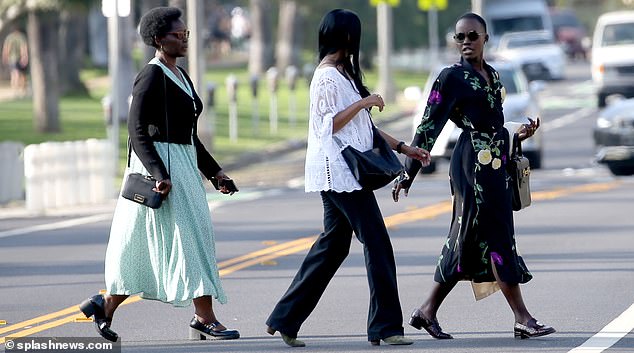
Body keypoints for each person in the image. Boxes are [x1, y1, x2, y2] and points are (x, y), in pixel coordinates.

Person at [265, 9, 431, 348]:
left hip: (342, 170)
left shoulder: (344, 75)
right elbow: (329, 124)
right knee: (377, 243)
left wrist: (404, 148)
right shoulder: (326, 77)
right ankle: (386, 328)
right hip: (338, 171)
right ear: (347, 38)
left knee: (333, 245)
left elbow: (363, 128)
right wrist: (366, 101)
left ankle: (285, 318)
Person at [79, 7, 239, 342]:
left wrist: (215, 172)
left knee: (181, 239)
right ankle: (203, 316)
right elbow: (136, 129)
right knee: (171, 240)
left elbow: (189, 135)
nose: (183, 40)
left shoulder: (181, 75)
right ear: (158, 40)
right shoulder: (150, 75)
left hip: (181, 163)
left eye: (185, 35)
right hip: (161, 169)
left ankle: (106, 305)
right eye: (176, 36)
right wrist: (158, 173)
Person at [393, 12, 555, 340]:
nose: (466, 42)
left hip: (495, 164)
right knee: (497, 235)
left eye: (472, 36)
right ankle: (522, 317)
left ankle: (426, 311)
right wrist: (407, 173)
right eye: (460, 37)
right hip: (472, 167)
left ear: (485, 38)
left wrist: (517, 136)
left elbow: (494, 125)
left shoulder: (494, 76)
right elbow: (429, 125)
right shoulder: (450, 77)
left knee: (467, 238)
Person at [1, 27, 29, 96]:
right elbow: (23, 47)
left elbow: (6, 48)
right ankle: (21, 90)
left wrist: (4, 57)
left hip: (12, 58)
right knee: (21, 74)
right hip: (19, 58)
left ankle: (15, 90)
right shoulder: (21, 37)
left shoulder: (9, 37)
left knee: (14, 73)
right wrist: (25, 57)